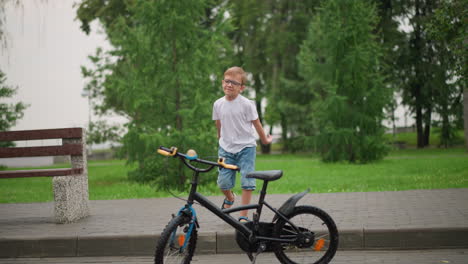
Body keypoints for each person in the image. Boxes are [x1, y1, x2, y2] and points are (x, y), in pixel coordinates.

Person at [212, 66, 273, 222]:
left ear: (242, 88)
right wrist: (219, 137)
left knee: (247, 182)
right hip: (225, 149)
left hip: (246, 148)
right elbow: (219, 123)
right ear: (222, 83)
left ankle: (243, 217)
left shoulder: (247, 104)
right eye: (227, 81)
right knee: (223, 183)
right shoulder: (218, 104)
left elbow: (257, 124)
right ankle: (230, 197)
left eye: (234, 82)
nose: (229, 85)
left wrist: (265, 140)